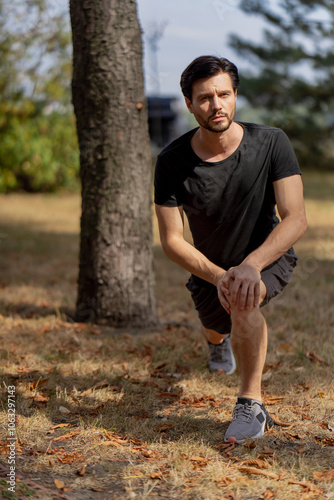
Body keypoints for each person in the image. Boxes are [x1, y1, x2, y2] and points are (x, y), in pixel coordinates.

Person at [154, 55, 307, 443]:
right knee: (215, 326)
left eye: (224, 94)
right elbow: (172, 240)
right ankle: (216, 344)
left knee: (243, 299)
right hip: (210, 266)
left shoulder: (271, 142)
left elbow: (296, 218)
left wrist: (250, 267)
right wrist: (220, 275)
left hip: (266, 254)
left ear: (235, 95)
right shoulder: (171, 162)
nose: (216, 104)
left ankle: (250, 405)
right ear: (189, 103)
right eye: (204, 97)